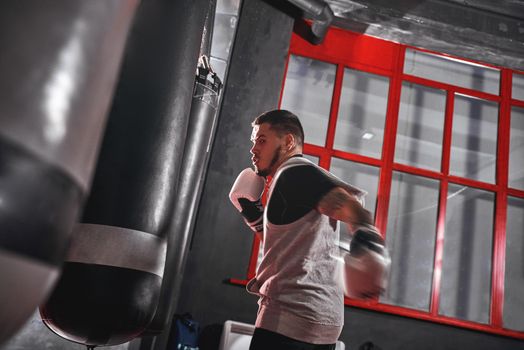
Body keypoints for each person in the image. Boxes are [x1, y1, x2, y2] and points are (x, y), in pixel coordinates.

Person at [229, 109, 385, 350]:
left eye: (262, 140)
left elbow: (353, 210)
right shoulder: (291, 180)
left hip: (289, 318)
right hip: (321, 321)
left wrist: (367, 245)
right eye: (253, 141)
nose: (253, 149)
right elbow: (282, 250)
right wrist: (255, 218)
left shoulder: (295, 173)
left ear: (288, 141)